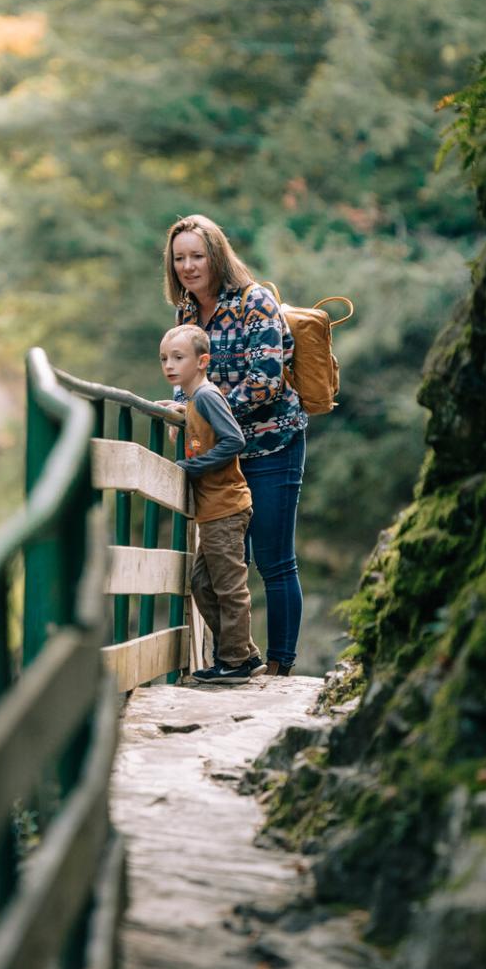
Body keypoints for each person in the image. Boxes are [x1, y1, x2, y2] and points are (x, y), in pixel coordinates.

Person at [163, 214, 307, 676]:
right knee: (222, 565)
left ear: (217, 256)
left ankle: (281, 666)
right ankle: (238, 658)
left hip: (272, 446)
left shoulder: (254, 303)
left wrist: (209, 415)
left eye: (197, 256)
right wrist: (181, 410)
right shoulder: (187, 313)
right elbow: (187, 378)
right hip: (224, 457)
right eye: (180, 257)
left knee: (274, 558)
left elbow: (265, 381)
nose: (188, 266)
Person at [161, 324, 262, 682]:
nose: (169, 365)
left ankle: (233, 662)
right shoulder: (195, 400)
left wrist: (189, 467)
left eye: (178, 357)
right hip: (214, 510)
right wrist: (179, 410)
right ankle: (243, 654)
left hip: (225, 506)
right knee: (202, 584)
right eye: (165, 359)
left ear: (203, 361)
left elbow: (233, 441)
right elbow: (202, 426)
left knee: (229, 587)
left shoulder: (205, 396)